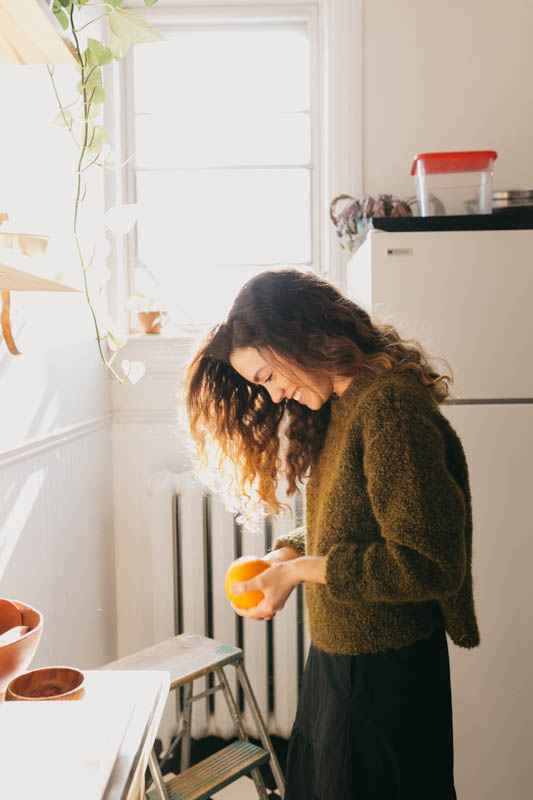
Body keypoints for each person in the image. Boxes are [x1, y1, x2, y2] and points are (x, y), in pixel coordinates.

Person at [185, 268, 480, 800]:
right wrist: (289, 550)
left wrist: (300, 570)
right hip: (339, 663)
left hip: (384, 677)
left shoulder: (388, 407)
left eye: (268, 375)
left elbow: (428, 562)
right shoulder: (346, 403)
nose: (274, 397)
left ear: (301, 337)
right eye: (260, 386)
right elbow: (350, 520)